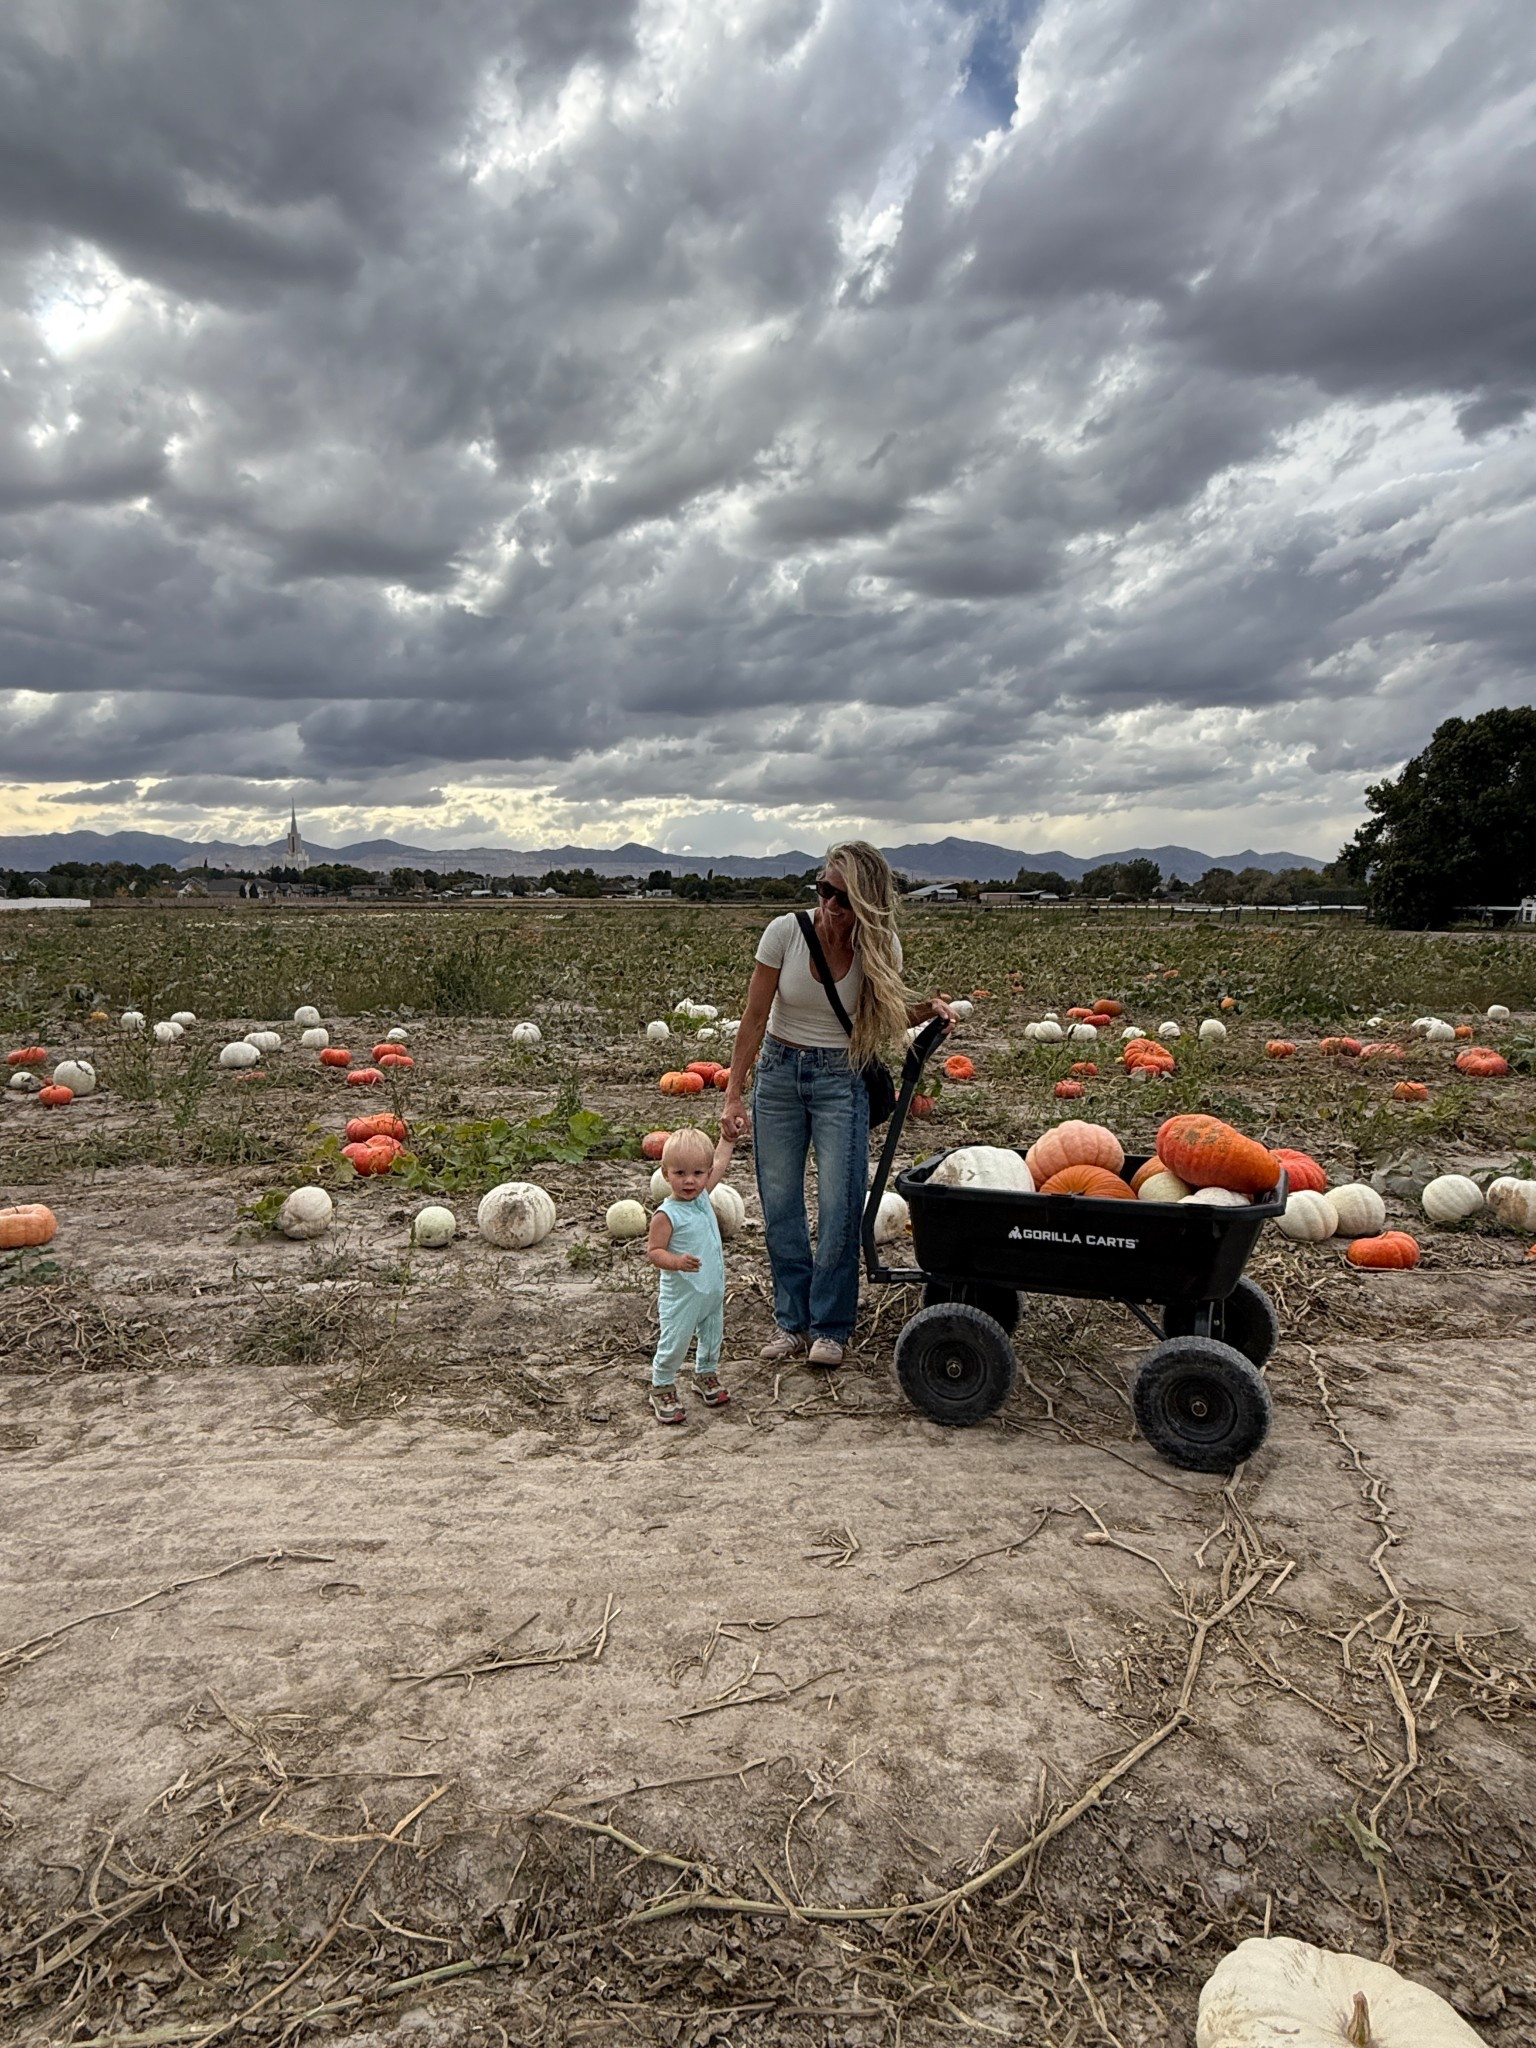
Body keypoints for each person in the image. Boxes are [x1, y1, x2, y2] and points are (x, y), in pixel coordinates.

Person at [722, 841, 955, 1367]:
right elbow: (754, 1018)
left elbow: (885, 1017)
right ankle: (791, 1321)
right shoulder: (784, 933)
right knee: (779, 1202)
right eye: (824, 889)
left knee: (839, 1205)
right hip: (779, 1074)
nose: (830, 904)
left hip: (840, 1078)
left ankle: (830, 1325)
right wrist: (735, 1091)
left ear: (867, 904)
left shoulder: (881, 947)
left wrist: (927, 1010)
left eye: (843, 898)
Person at [645, 1125, 737, 1425]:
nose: (689, 1181)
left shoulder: (701, 1198)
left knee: (712, 1336)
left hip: (711, 1290)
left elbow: (720, 1161)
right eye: (680, 1173)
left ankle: (705, 1374)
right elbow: (654, 1251)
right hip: (683, 1295)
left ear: (706, 1174)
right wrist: (676, 1261)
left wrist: (728, 1138)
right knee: (676, 1340)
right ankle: (662, 1386)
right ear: (665, 1172)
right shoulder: (666, 1214)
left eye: (698, 1174)